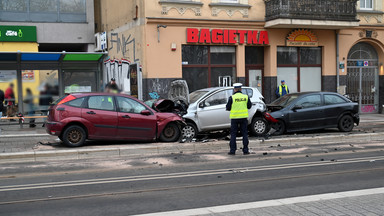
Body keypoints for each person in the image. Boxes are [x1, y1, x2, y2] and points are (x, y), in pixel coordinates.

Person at [226, 83, 252, 155]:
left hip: (234, 118)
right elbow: (249, 106)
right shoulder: (246, 97)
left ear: (234, 89)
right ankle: (245, 150)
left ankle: (232, 150)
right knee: (244, 134)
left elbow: (228, 108)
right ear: (241, 89)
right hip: (243, 118)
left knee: (233, 134)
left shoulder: (232, 97)